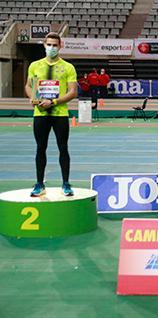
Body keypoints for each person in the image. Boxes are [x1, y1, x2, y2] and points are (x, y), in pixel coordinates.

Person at [24, 32, 78, 197]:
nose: (52, 48)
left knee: (63, 148)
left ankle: (66, 183)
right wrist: (32, 97)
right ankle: (40, 183)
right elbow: (28, 86)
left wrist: (53, 102)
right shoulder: (34, 65)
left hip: (59, 114)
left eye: (55, 45)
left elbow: (73, 92)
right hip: (40, 113)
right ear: (44, 45)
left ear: (60, 46)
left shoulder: (68, 67)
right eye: (49, 44)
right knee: (40, 148)